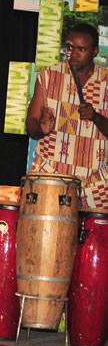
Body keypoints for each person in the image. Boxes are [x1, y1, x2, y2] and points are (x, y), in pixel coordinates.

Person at [25, 23, 108, 208]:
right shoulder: (49, 75)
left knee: (94, 237)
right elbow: (30, 125)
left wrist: (96, 117)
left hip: (96, 183)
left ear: (95, 51)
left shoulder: (106, 81)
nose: (73, 53)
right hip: (50, 175)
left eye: (82, 49)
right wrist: (40, 128)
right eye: (69, 47)